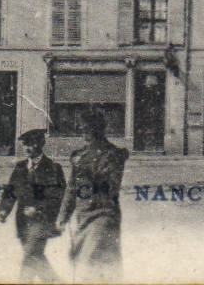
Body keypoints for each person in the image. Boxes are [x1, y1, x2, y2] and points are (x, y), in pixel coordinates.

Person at [56, 109, 129, 281]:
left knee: (95, 262)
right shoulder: (78, 156)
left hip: (103, 215)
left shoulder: (114, 154)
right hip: (83, 218)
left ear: (98, 129)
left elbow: (111, 187)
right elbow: (71, 189)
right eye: (82, 129)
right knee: (86, 264)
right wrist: (62, 217)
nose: (84, 132)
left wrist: (87, 172)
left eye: (87, 129)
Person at [0, 129, 64, 283]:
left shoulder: (53, 167)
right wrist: (3, 210)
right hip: (22, 221)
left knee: (30, 255)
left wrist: (38, 208)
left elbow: (58, 196)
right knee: (35, 257)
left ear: (40, 145)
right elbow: (11, 191)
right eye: (25, 145)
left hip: (42, 221)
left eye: (31, 145)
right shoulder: (20, 167)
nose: (27, 148)